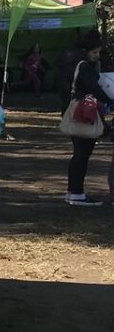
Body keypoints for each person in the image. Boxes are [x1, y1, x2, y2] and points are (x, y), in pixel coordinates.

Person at [62, 36, 109, 206]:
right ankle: (77, 192)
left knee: (79, 154)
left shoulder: (72, 65)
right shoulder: (85, 67)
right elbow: (94, 88)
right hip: (84, 111)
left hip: (76, 109)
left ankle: (73, 191)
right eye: (94, 52)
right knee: (83, 153)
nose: (97, 55)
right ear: (85, 52)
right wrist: (109, 101)